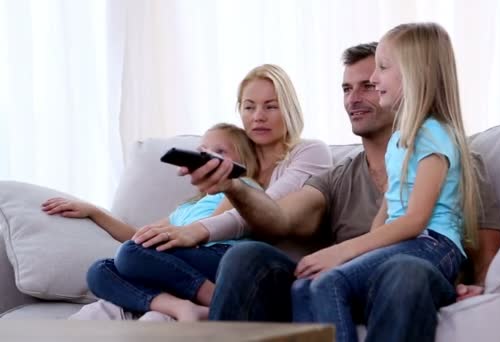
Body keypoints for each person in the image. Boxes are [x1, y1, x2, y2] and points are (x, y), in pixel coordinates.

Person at [187, 38, 500, 340]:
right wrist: (234, 186)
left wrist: (481, 285)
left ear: (400, 85)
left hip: (413, 279)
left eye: (367, 85)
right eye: (346, 89)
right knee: (246, 256)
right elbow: (279, 219)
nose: (353, 99)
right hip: (342, 287)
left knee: (403, 271)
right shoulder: (338, 177)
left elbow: (487, 248)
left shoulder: (455, 158)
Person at [64, 63, 333, 321]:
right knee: (104, 268)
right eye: (249, 107)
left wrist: (194, 231)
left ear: (289, 108)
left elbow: (268, 211)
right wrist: (94, 211)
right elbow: (143, 234)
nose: (258, 116)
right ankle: (183, 307)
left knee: (132, 254)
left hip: (262, 265)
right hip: (208, 259)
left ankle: (213, 298)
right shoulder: (231, 168)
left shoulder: (307, 153)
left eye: (271, 106)